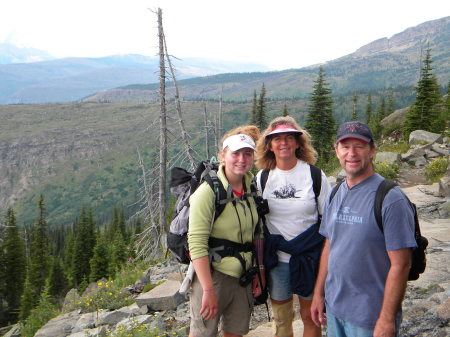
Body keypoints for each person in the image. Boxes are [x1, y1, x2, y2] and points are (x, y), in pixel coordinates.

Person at [311, 121, 417, 337]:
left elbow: (402, 264)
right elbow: (330, 244)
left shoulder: (390, 198)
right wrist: (318, 294)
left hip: (369, 317)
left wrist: (387, 319)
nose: (352, 153)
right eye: (345, 146)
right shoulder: (335, 192)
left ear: (372, 150)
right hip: (335, 308)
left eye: (359, 146)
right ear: (336, 151)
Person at [255, 116, 331, 337]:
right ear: (269, 145)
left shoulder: (315, 176)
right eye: (277, 139)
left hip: (310, 257)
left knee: (311, 317)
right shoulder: (262, 178)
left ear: (299, 143)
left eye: (289, 137)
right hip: (277, 260)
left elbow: (327, 222)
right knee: (281, 318)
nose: (284, 143)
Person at [187, 125, 261, 337]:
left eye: (247, 153)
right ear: (223, 155)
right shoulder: (208, 192)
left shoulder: (251, 189)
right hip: (212, 276)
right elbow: (196, 243)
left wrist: (258, 271)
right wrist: (208, 290)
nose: (241, 159)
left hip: (242, 276)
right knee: (202, 334)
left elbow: (256, 234)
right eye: (235, 153)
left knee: (235, 332)